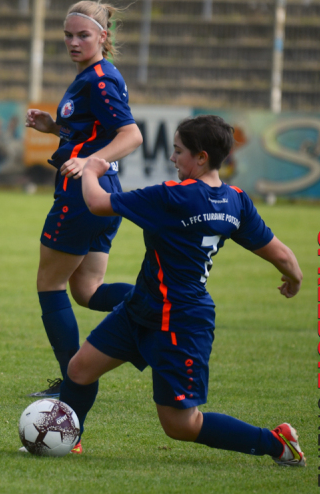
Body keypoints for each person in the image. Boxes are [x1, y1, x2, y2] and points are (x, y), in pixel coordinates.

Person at [57, 115, 305, 465]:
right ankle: (66, 439)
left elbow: (98, 203)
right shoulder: (235, 200)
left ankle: (276, 442)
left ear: (201, 157)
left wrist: (92, 169)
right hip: (142, 307)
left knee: (181, 425)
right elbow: (280, 253)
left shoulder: (172, 196)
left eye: (178, 151)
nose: (172, 158)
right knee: (80, 369)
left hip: (180, 322)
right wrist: (294, 277)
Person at [24, 0, 143, 399]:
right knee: (88, 290)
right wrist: (55, 128)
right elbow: (94, 133)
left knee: (50, 284)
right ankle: (161, 305)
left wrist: (89, 162)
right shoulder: (93, 76)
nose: (73, 42)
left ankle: (73, 383)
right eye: (68, 35)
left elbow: (131, 135)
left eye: (83, 35)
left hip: (82, 194)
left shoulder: (100, 80)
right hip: (105, 192)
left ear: (103, 37)